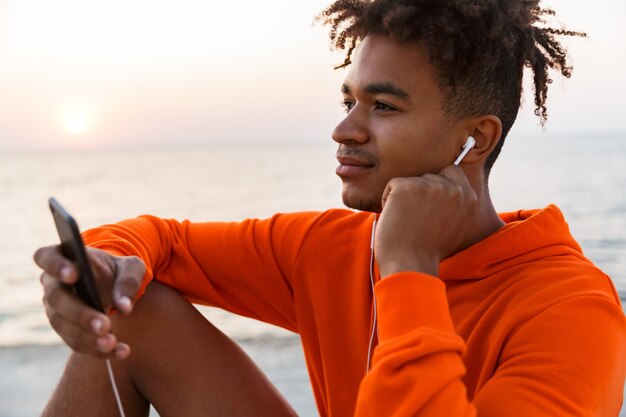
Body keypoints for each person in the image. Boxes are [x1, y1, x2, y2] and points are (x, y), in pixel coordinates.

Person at [34, 1, 625, 416]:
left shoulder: (571, 311)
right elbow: (163, 238)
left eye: (384, 107)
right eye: (349, 100)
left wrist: (409, 270)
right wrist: (100, 265)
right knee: (131, 310)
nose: (344, 128)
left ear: (476, 139)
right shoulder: (332, 248)